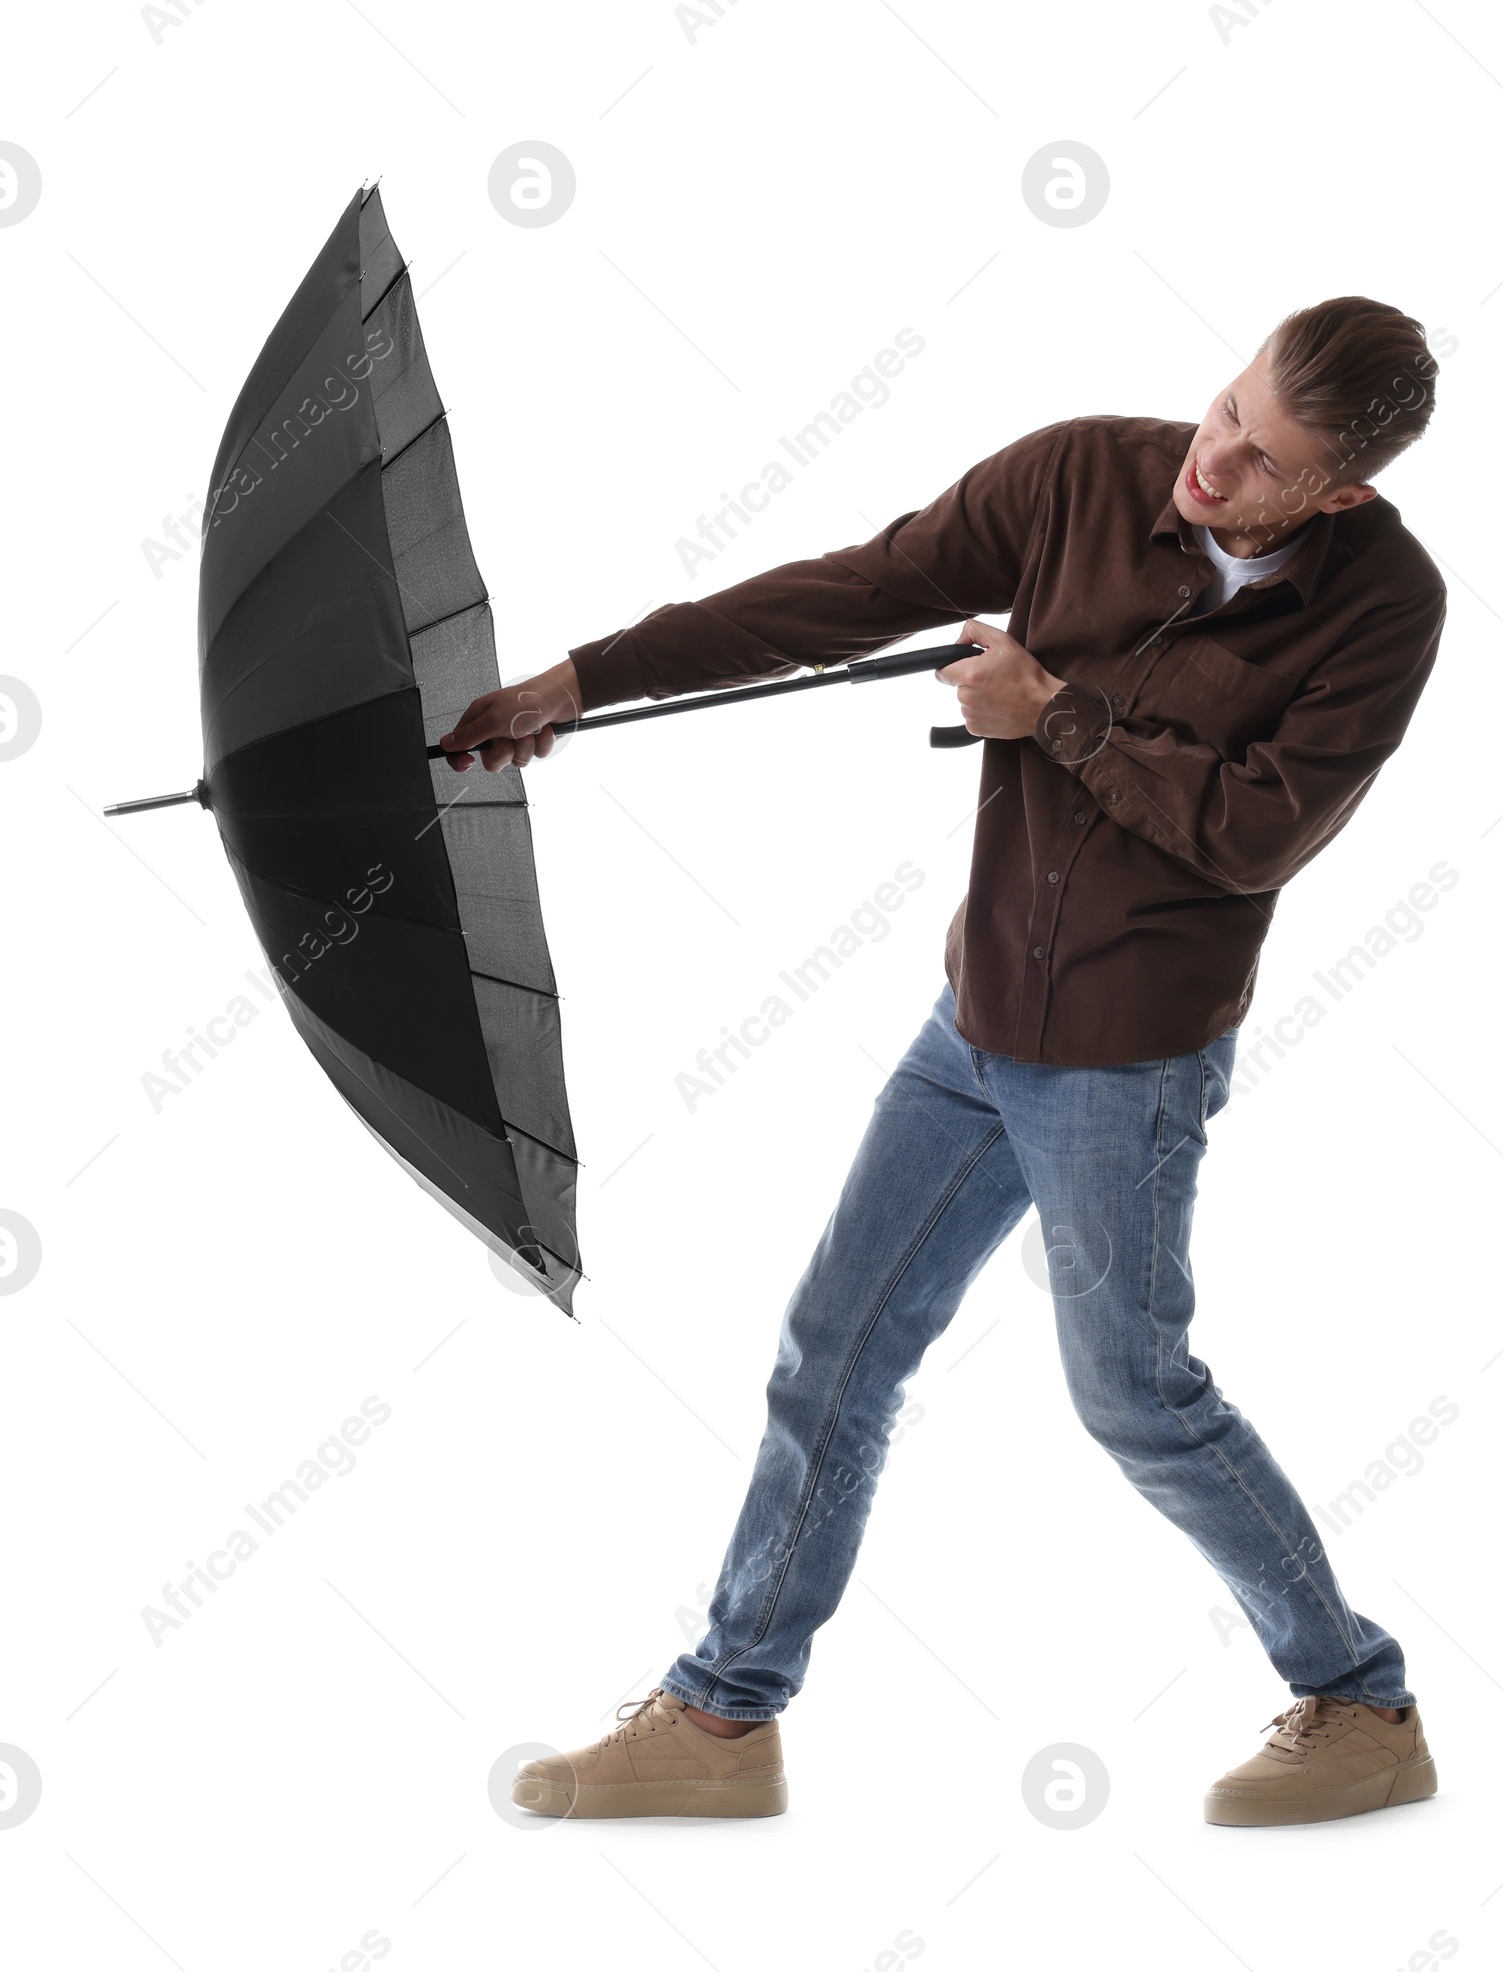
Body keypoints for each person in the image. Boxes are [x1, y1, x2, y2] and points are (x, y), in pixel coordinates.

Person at [440, 296, 1446, 1828]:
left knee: (1136, 1399)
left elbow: (1257, 834)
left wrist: (1055, 714)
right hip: (977, 1020)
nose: (1216, 465)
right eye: (1227, 411)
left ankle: (1359, 1699)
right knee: (834, 1349)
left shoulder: (1387, 605)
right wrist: (583, 680)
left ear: (1346, 492)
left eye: (1269, 463)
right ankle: (723, 1720)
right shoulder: (1079, 477)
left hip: (1126, 1057)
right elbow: (853, 592)